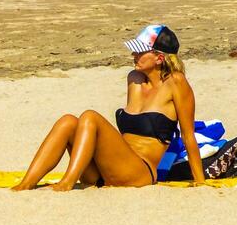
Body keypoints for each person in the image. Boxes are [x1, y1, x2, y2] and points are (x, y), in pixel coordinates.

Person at [12, 25, 204, 191]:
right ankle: (25, 184)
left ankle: (67, 182)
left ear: (159, 58)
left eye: (139, 52)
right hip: (106, 171)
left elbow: (188, 135)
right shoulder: (134, 80)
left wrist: (200, 182)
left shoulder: (176, 83)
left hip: (139, 173)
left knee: (90, 116)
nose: (133, 55)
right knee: (68, 121)